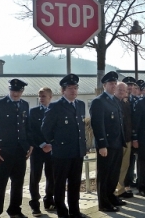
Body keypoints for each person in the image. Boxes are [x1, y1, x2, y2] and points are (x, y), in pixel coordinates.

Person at [0, 78, 32, 218]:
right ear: (9, 89)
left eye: (18, 91)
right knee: (0, 182)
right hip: (3, 151)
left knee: (18, 182)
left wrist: (30, 145)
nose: (15, 93)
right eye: (13, 90)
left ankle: (15, 210)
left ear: (22, 91)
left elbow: (27, 128)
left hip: (20, 151)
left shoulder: (25, 105)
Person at [42, 74, 87, 218]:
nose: (73, 91)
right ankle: (62, 211)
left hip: (77, 152)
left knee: (75, 183)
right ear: (63, 91)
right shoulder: (55, 106)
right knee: (60, 184)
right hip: (61, 154)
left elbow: (80, 129)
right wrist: (56, 143)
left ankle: (75, 210)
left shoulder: (80, 105)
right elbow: (45, 129)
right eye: (70, 88)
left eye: (75, 88)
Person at [89, 71, 126, 212]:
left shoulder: (115, 101)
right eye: (111, 83)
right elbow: (98, 125)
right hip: (107, 145)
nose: (113, 86)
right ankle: (103, 203)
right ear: (104, 85)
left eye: (115, 83)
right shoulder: (98, 101)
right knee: (104, 174)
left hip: (117, 143)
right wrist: (102, 144)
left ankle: (111, 196)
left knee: (114, 173)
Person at [29, 87, 55, 216]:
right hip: (38, 150)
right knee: (35, 177)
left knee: (52, 177)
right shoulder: (33, 112)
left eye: (43, 96)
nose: (41, 98)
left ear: (51, 97)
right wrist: (43, 144)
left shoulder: (56, 111)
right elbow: (32, 131)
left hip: (52, 150)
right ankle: (35, 204)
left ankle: (49, 201)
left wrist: (52, 144)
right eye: (39, 96)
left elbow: (59, 130)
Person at [114, 81, 135, 199]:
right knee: (117, 166)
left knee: (125, 166)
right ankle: (115, 191)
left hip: (127, 139)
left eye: (124, 90)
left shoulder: (126, 103)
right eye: (120, 90)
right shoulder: (113, 103)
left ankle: (121, 189)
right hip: (118, 141)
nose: (122, 92)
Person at [121, 76, 138, 190]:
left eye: (132, 85)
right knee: (123, 164)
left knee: (131, 161)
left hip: (131, 137)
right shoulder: (120, 100)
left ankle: (130, 181)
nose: (130, 87)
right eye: (128, 85)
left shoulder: (134, 100)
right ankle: (124, 185)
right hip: (123, 138)